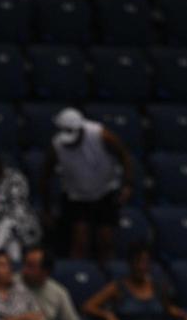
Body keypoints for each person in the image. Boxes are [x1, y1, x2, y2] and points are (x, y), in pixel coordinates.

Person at [41, 108, 135, 263]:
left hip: (104, 191)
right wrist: (47, 208)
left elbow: (124, 155)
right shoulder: (56, 146)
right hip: (77, 197)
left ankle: (108, 277)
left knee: (106, 241)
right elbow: (45, 176)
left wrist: (128, 184)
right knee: (79, 242)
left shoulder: (101, 134)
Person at [83, 244, 187, 320]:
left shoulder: (158, 287)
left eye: (145, 262)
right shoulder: (117, 287)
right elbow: (88, 306)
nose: (141, 267)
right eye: (138, 262)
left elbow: (168, 308)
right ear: (130, 264)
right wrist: (106, 315)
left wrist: (186, 316)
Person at [20, 246, 81, 320]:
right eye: (24, 264)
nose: (24, 270)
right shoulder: (10, 284)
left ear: (45, 271)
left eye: (31, 266)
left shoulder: (59, 293)